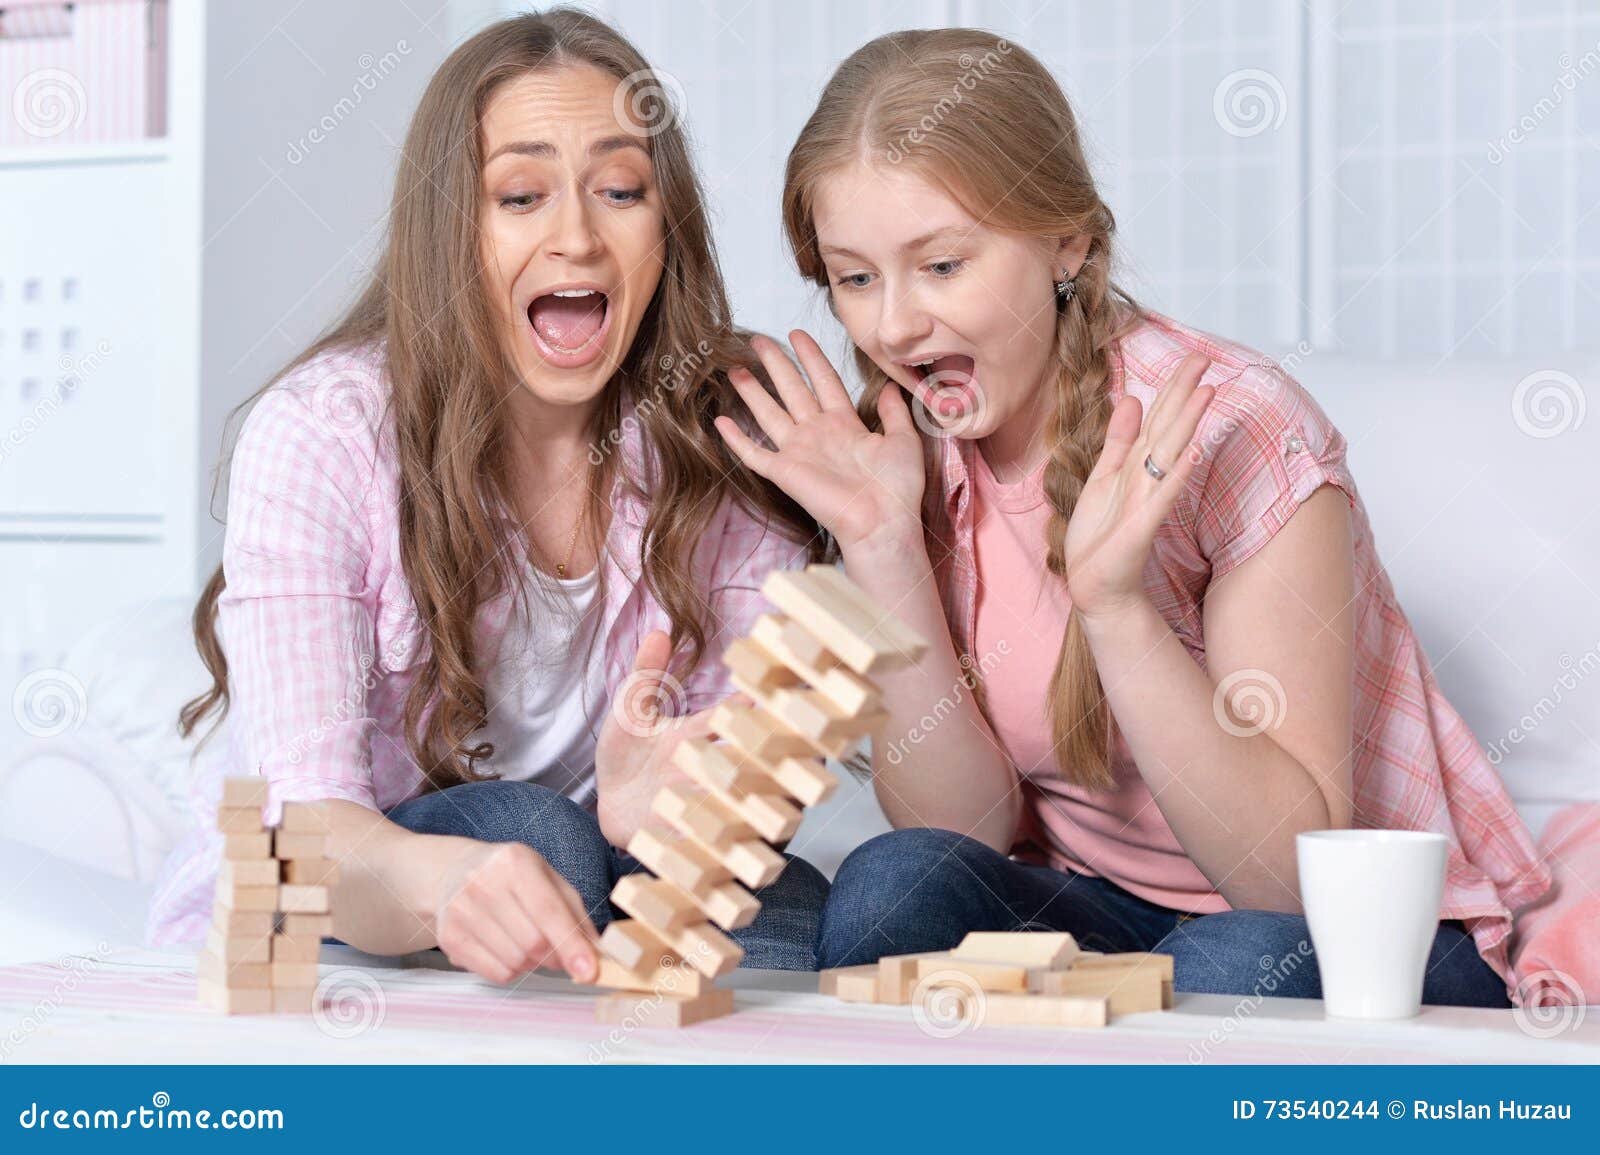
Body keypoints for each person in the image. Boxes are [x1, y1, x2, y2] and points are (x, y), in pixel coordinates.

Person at [711, 29, 1549, 1005]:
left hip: (1364, 936)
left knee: (1230, 968)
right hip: (1095, 906)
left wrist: (1114, 609)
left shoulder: (1233, 425)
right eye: (854, 278)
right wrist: (885, 545)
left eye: (941, 266)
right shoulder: (912, 447)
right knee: (892, 888)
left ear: (1066, 241)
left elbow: (1279, 882)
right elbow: (966, 833)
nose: (893, 326)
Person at [145, 9, 830, 981]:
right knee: (531, 834)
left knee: (783, 901)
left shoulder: (718, 442)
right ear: (451, 229)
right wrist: (447, 880)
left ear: (664, 227)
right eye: (519, 196)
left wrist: (663, 816)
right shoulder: (325, 436)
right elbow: (309, 835)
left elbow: (728, 798)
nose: (577, 238)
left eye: (622, 190)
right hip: (349, 890)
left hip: (597, 865)